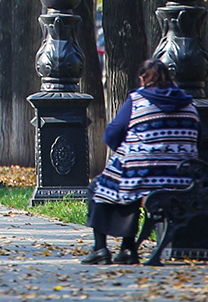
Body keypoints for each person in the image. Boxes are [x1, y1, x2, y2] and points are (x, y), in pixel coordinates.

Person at [85, 58, 201, 264]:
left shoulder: (138, 99)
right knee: (130, 179)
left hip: (142, 176)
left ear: (143, 78)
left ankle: (100, 248)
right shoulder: (189, 103)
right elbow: (198, 138)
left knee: (102, 185)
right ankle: (127, 249)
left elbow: (112, 134)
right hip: (182, 180)